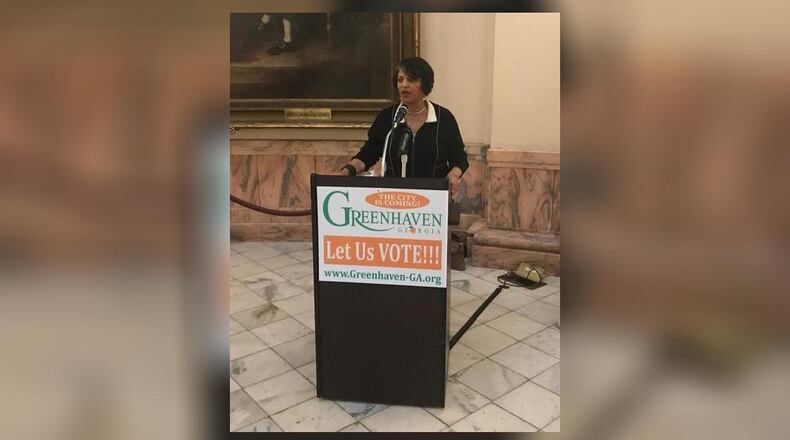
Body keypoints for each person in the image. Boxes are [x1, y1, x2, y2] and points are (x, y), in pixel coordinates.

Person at [339, 57, 469, 198]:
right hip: (392, 198)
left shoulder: (443, 118)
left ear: (425, 84)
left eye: (411, 80)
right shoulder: (388, 117)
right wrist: (347, 170)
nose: (404, 85)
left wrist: (454, 174)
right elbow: (368, 154)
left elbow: (459, 158)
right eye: (400, 80)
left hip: (433, 199)